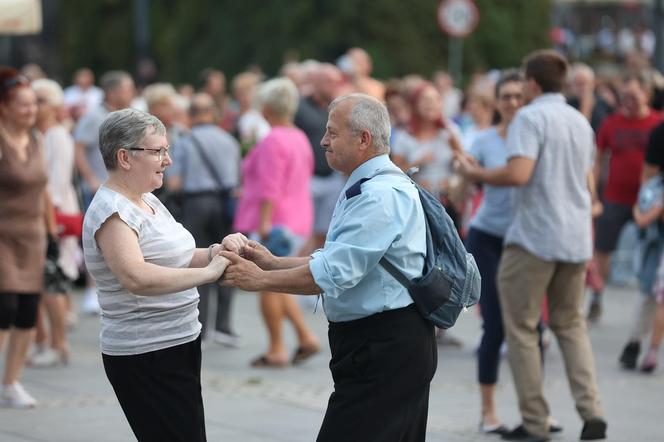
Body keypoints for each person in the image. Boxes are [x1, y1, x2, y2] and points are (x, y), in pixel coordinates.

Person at [221, 93, 437, 441]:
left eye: (333, 133)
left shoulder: (379, 195)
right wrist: (272, 262)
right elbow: (337, 259)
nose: (323, 141)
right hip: (381, 343)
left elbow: (332, 274)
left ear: (363, 139)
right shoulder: (370, 185)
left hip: (386, 345)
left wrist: (260, 279)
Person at [457, 50, 606, 441]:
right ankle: (592, 411)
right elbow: (589, 180)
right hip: (575, 238)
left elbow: (518, 173)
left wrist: (476, 173)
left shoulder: (530, 117)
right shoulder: (579, 121)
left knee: (520, 328)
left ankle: (536, 422)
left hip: (534, 238)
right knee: (570, 325)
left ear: (533, 84)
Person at [82, 108, 244, 441]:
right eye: (158, 151)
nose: (167, 160)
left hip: (178, 341)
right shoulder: (112, 210)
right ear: (124, 157)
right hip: (146, 353)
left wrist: (218, 251)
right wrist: (210, 273)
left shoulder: (147, 200)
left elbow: (179, 258)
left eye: (166, 150)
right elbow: (136, 277)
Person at [233, 77, 319, 367]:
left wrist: (266, 222)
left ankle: (277, 348)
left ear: (267, 107)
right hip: (298, 217)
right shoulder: (299, 136)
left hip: (276, 219)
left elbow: (271, 186)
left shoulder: (272, 139)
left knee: (267, 284)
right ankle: (305, 337)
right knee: (281, 284)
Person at [461, 71, 524, 435]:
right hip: (487, 237)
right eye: (506, 97)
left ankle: (535, 412)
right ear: (497, 102)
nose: (513, 103)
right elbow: (465, 173)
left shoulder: (535, 137)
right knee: (496, 326)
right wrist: (462, 173)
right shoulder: (485, 138)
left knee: (533, 327)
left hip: (526, 240)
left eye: (519, 96)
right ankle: (489, 412)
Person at [167, 93, 241, 346]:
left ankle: (202, 326)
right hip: (224, 203)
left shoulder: (187, 141)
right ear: (213, 113)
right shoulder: (229, 140)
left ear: (191, 114)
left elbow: (175, 181)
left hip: (196, 203)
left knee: (199, 259)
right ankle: (225, 326)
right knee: (227, 258)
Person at [591, 72, 664, 322]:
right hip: (615, 195)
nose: (629, 101)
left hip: (650, 199)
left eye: (633, 95)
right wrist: (593, 193)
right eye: (625, 96)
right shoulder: (612, 123)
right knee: (602, 248)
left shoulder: (658, 122)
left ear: (647, 94)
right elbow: (598, 159)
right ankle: (597, 296)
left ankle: (652, 297)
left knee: (654, 247)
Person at [0, 67, 46, 408]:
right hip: (2, 235)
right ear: (4, 107)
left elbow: (45, 192)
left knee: (28, 312)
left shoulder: (37, 139)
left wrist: (54, 230)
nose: (31, 110)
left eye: (34, 104)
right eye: (23, 104)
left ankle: (11, 383)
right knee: (5, 306)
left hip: (33, 235)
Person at [74, 70, 135, 315]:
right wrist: (89, 178)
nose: (132, 93)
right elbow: (78, 148)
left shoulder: (125, 116)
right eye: (128, 88)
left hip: (122, 187)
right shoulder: (95, 116)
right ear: (114, 92)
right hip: (99, 187)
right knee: (96, 238)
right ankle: (92, 290)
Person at [29, 78, 79, 367]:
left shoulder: (58, 136)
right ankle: (42, 339)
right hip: (38, 211)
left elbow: (57, 184)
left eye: (40, 101)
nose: (35, 107)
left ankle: (58, 342)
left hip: (52, 214)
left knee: (52, 280)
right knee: (40, 282)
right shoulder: (39, 134)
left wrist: (51, 221)